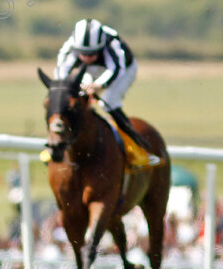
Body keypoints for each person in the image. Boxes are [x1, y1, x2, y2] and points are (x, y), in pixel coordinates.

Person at [53, 18, 160, 165]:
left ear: (100, 47)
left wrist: (99, 85)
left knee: (109, 101)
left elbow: (116, 69)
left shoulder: (112, 43)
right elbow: (61, 72)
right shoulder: (71, 45)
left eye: (92, 54)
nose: (87, 58)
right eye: (83, 54)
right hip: (93, 72)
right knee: (73, 102)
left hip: (124, 70)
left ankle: (137, 148)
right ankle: (57, 146)